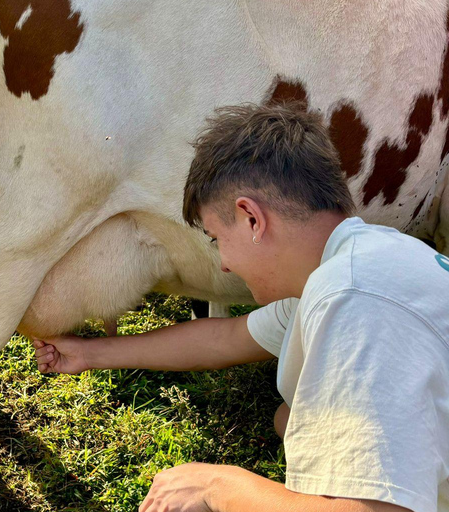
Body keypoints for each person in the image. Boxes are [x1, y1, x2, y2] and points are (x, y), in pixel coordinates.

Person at [32, 103, 449, 512]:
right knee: (292, 418)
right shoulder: (359, 262)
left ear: (252, 218)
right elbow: (223, 339)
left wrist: (218, 485)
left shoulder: (351, 296)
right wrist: (88, 353)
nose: (224, 262)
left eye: (216, 238)